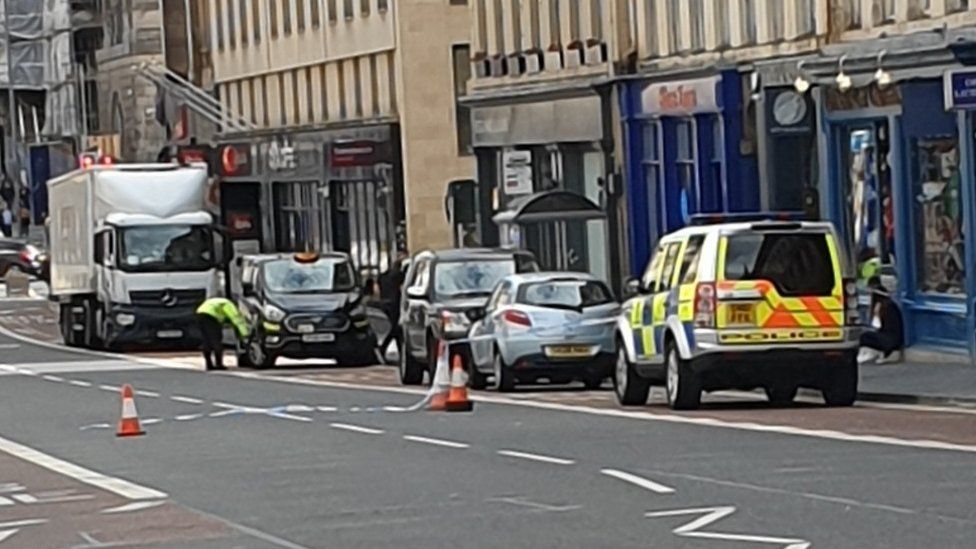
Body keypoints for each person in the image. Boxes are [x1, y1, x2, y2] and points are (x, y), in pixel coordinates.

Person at [195, 297, 250, 371]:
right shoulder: (229, 305)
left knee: (207, 340)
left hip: (200, 313)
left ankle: (209, 364)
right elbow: (236, 319)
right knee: (216, 339)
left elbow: (223, 318)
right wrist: (245, 334)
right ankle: (219, 364)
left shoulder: (220, 301)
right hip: (211, 316)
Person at [859, 276, 904, 365]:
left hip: (890, 339)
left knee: (863, 336)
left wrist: (875, 313)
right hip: (892, 337)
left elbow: (876, 325)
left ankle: (883, 352)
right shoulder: (889, 305)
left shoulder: (885, 307)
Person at [377, 251, 408, 363]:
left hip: (386, 303)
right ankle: (384, 348)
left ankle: (395, 351)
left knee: (395, 329)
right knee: (396, 329)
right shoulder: (398, 275)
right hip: (394, 304)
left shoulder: (382, 277)